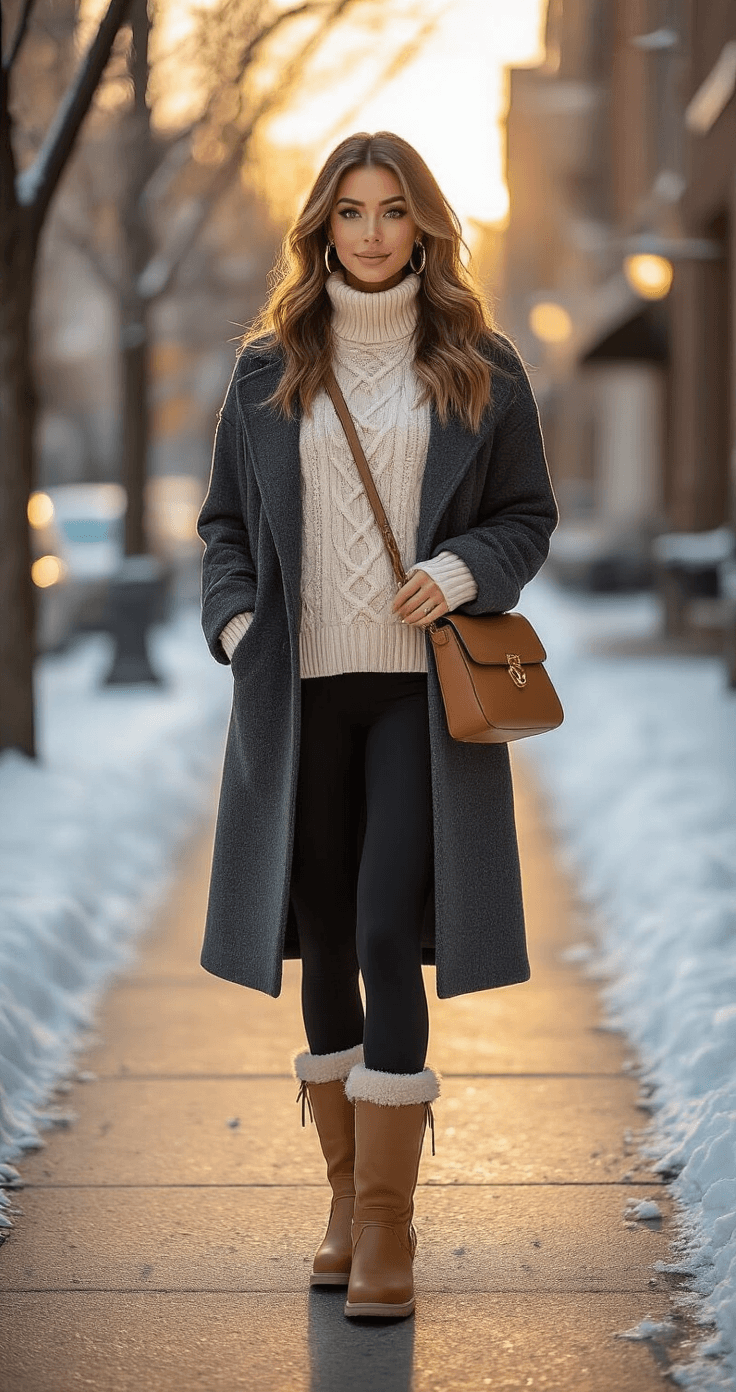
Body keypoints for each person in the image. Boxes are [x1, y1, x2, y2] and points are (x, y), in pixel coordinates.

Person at [197, 131, 558, 1321]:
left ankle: (391, 1233)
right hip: (295, 705)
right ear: (320, 227)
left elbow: (525, 516)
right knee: (321, 935)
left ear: (422, 225)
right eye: (347, 210)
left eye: (390, 210)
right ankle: (346, 1206)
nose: (367, 231)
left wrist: (460, 572)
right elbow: (222, 533)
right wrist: (241, 626)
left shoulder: (479, 363)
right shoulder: (264, 371)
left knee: (382, 926)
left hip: (420, 696)